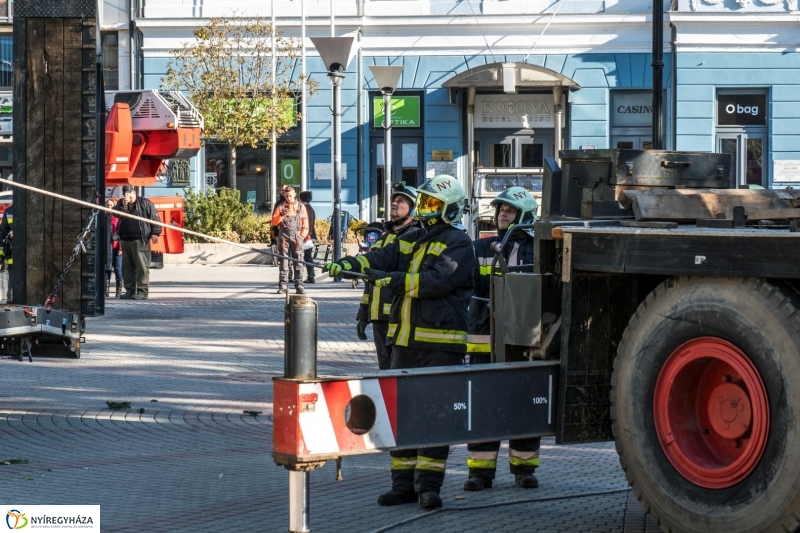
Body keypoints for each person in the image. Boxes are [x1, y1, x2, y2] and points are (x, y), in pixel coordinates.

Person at [325, 175, 474, 510]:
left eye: (433, 203)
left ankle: (429, 488)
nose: (426, 208)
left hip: (440, 346)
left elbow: (436, 281)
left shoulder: (458, 243)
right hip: (405, 342)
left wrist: (392, 281)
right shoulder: (415, 238)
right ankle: (402, 485)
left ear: (449, 208)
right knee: (401, 414)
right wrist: (348, 264)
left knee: (434, 417)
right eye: (425, 202)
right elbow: (382, 257)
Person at [463, 186, 542, 492]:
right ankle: (480, 473)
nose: (501, 215)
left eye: (508, 210)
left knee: (523, 402)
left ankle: (524, 469)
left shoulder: (537, 249)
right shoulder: (481, 247)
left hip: (522, 339)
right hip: (484, 336)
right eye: (500, 210)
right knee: (483, 404)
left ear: (523, 215)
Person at [356, 182, 423, 370]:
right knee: (385, 370)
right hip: (379, 319)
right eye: (394, 200)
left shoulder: (416, 237)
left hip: (401, 318)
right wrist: (363, 315)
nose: (394, 203)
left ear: (412, 208)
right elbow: (369, 283)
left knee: (399, 371)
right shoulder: (383, 238)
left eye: (400, 201)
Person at [113, 185, 162, 300]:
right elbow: (115, 214)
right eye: (125, 194)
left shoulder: (145, 203)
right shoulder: (121, 204)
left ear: (134, 193)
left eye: (129, 194)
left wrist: (155, 233)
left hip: (140, 239)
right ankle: (130, 290)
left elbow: (155, 219)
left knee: (142, 267)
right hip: (125, 240)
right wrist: (123, 206)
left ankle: (142, 291)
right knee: (127, 268)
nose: (127, 197)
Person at [271, 186, 309, 295]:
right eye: (286, 196)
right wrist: (281, 216)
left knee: (298, 262)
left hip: (297, 235)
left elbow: (305, 223)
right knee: (283, 261)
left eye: (290, 196)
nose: (288, 198)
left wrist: (302, 236)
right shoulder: (280, 207)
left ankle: (299, 286)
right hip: (283, 235)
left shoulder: (301, 207)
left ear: (295, 194)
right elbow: (273, 222)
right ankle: (283, 285)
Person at [105, 199, 123, 298]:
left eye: (111, 205)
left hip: (116, 246)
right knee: (107, 268)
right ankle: (106, 290)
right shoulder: (103, 218)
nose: (109, 207)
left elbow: (121, 233)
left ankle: (118, 290)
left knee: (118, 269)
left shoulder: (118, 219)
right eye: (107, 205)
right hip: (107, 247)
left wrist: (121, 247)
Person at [298, 190, 317, 284]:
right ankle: (310, 276)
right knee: (307, 256)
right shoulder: (310, 208)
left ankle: (310, 276)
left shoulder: (303, 208)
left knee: (305, 256)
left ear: (300, 198)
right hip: (312, 235)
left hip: (306, 236)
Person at [0, 205, 13, 303]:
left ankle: (11, 298)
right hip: (12, 254)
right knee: (12, 277)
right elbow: (3, 234)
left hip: (16, 254)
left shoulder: (9, 211)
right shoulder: (9, 211)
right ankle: (11, 298)